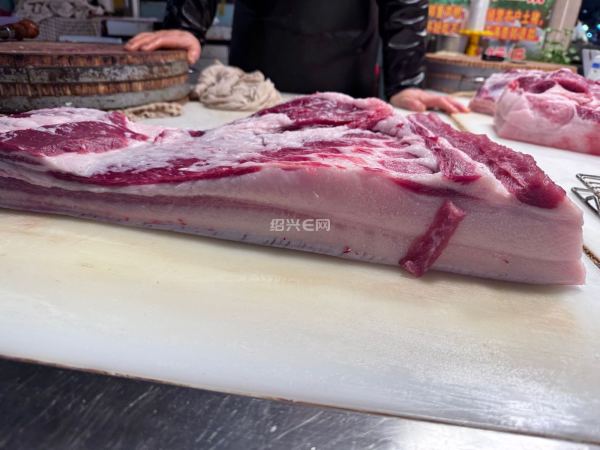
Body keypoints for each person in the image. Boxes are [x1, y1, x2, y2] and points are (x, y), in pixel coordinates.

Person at [125, 0, 468, 113]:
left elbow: (404, 4)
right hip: (254, 75)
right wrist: (186, 23)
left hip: (345, 72)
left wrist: (405, 81)